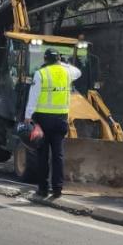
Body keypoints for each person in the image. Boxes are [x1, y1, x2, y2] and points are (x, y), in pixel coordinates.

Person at [24, 48, 82, 200]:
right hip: (61, 120)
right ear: (58, 59)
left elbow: (33, 96)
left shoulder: (41, 73)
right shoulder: (68, 72)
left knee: (42, 155)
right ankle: (57, 189)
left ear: (45, 59)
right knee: (58, 156)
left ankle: (43, 189)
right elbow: (78, 72)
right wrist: (62, 64)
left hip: (43, 121)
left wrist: (28, 116)